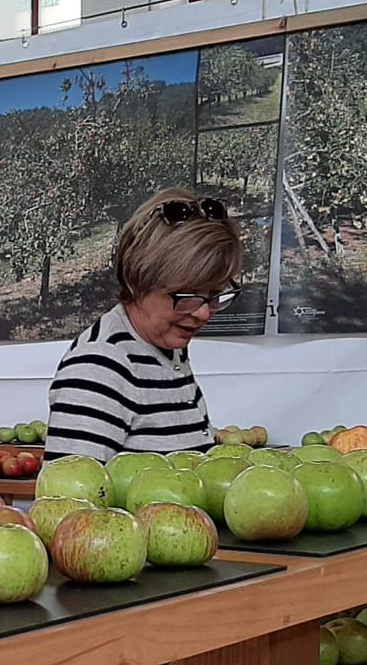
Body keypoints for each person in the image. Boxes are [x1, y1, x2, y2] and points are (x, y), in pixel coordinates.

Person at [44, 190, 242, 463]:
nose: (203, 312)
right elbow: (67, 496)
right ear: (137, 280)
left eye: (214, 294)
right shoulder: (101, 365)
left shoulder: (166, 347)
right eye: (188, 295)